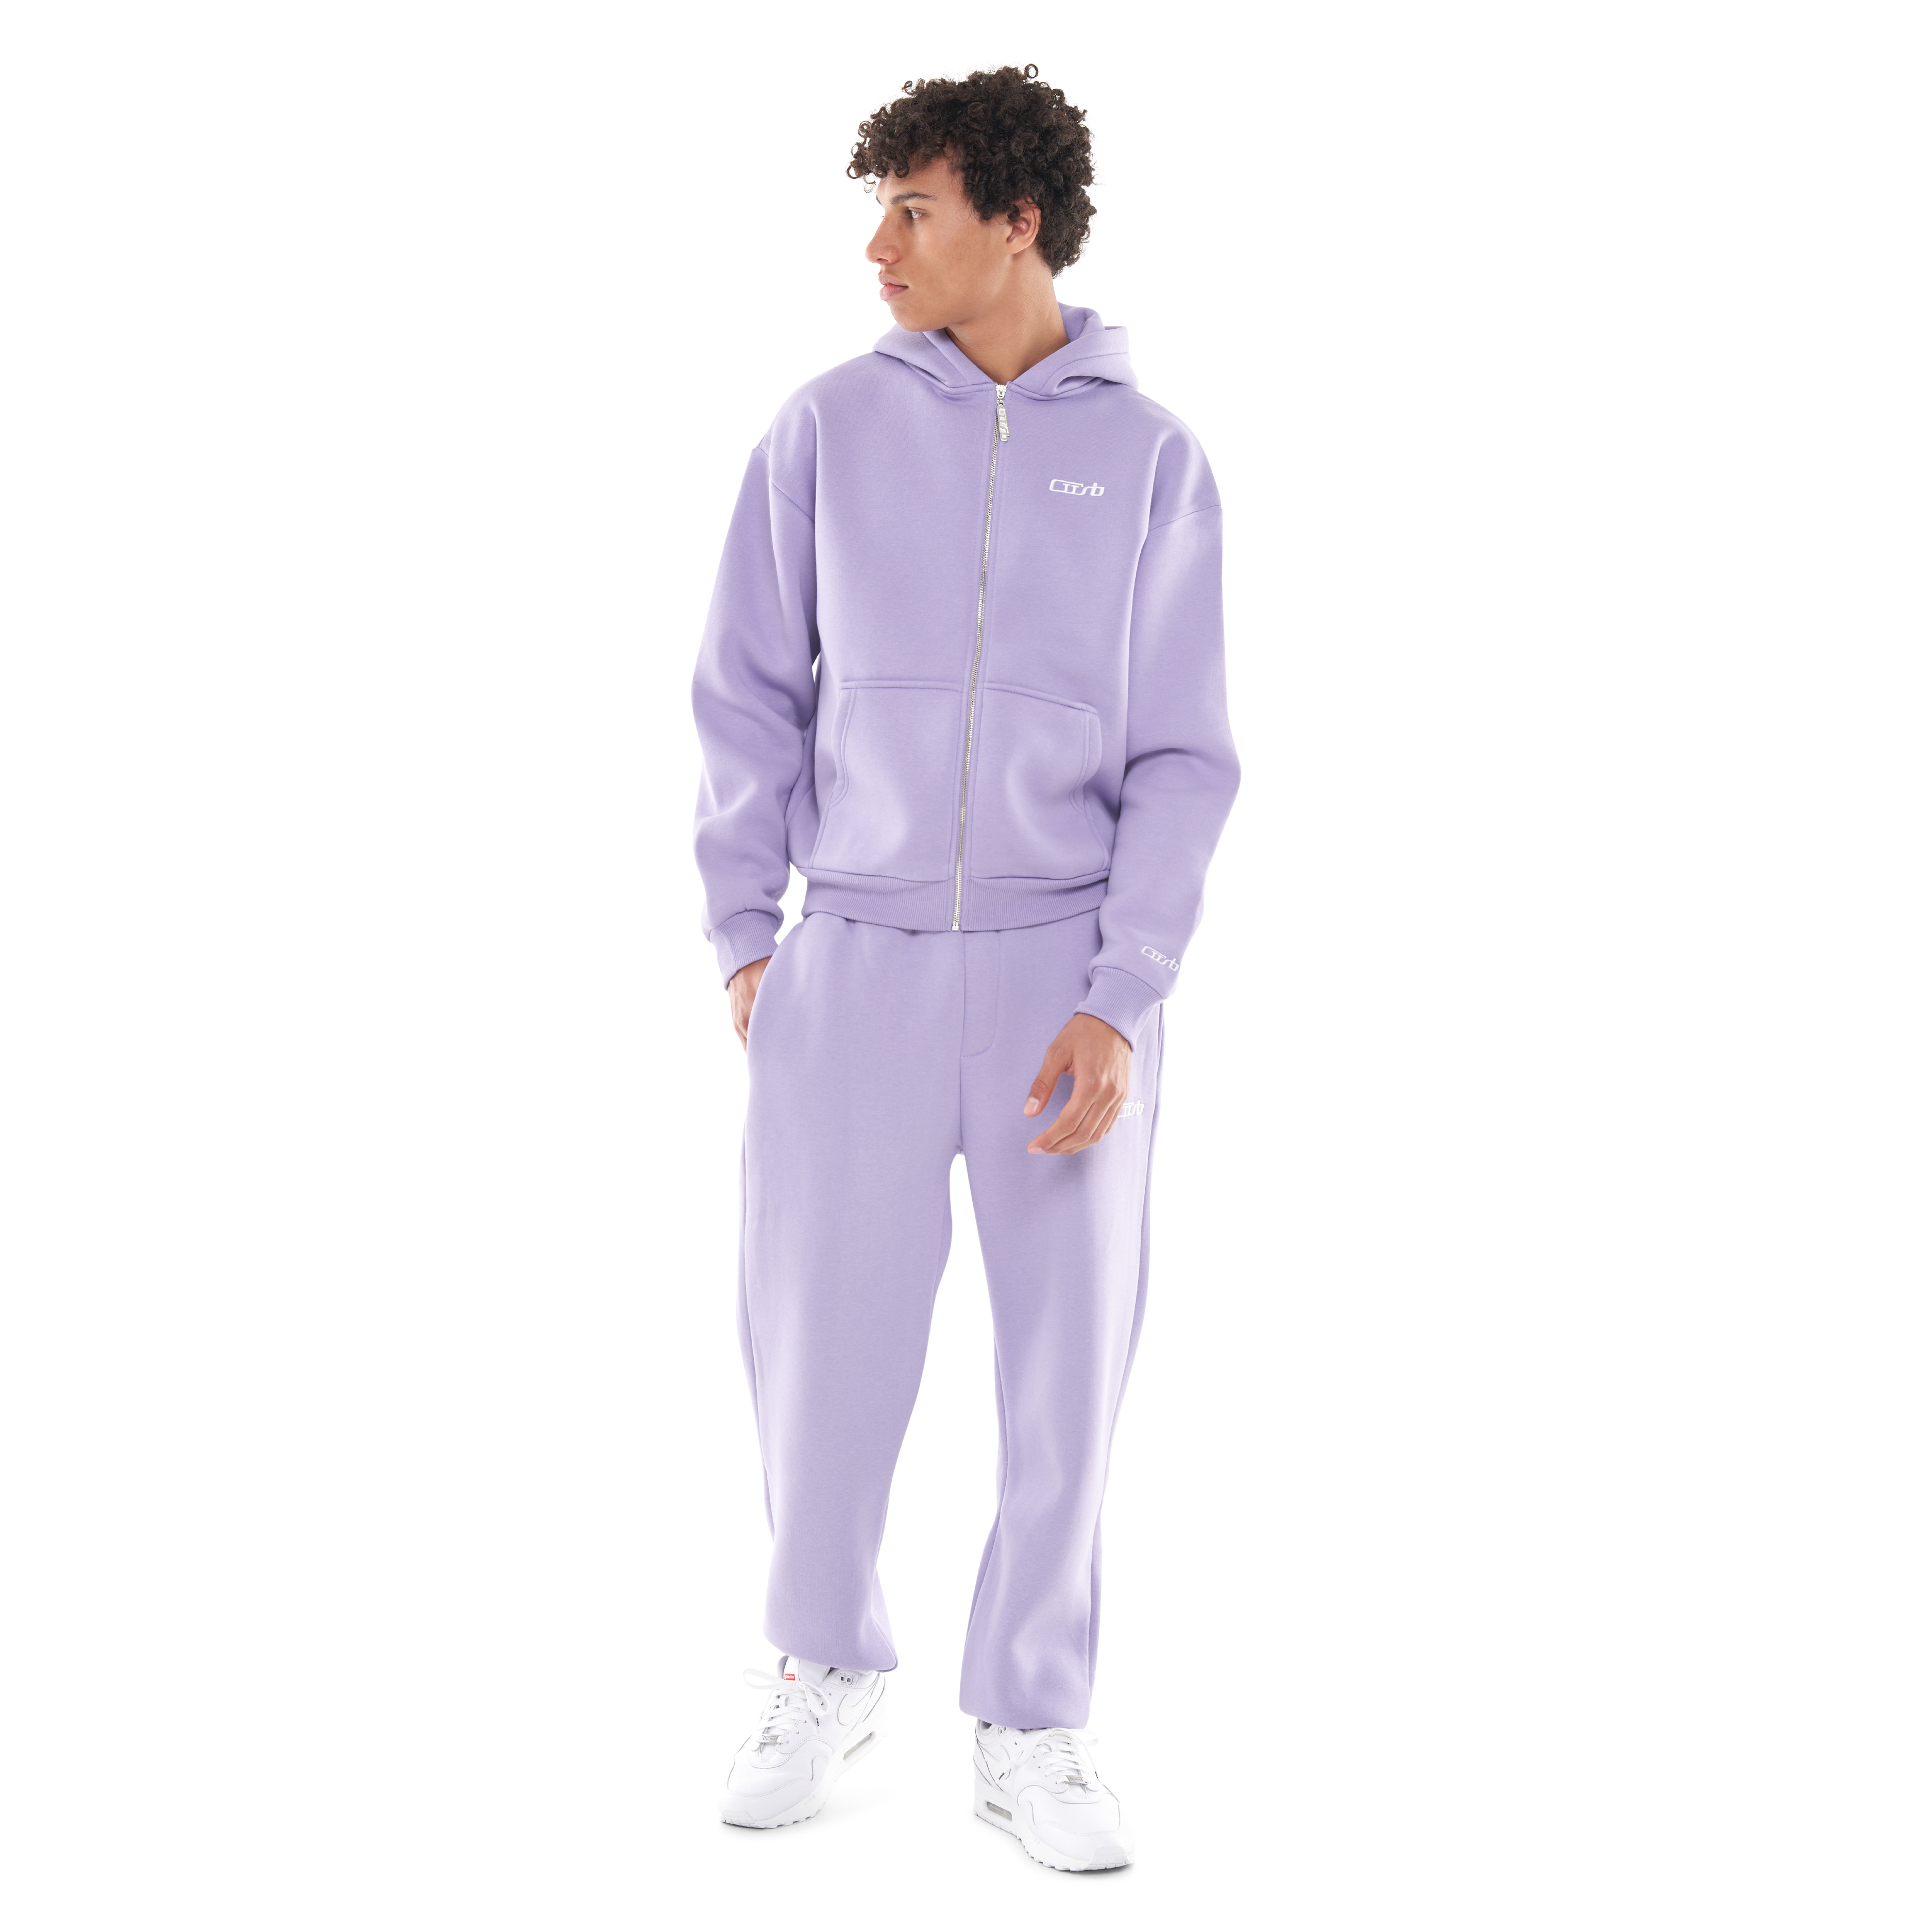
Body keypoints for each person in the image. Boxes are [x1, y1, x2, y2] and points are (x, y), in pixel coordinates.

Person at [690, 64, 1239, 1872]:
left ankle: (1032, 1715)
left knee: (1064, 1364)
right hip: (849, 960)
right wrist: (748, 937)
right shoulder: (825, 431)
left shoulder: (1148, 460)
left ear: (1016, 222)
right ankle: (822, 1661)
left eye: (913, 209)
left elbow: (1182, 754)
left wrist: (1122, 989)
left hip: (1053, 974)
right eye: (881, 208)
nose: (880, 246)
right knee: (817, 1347)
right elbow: (745, 692)